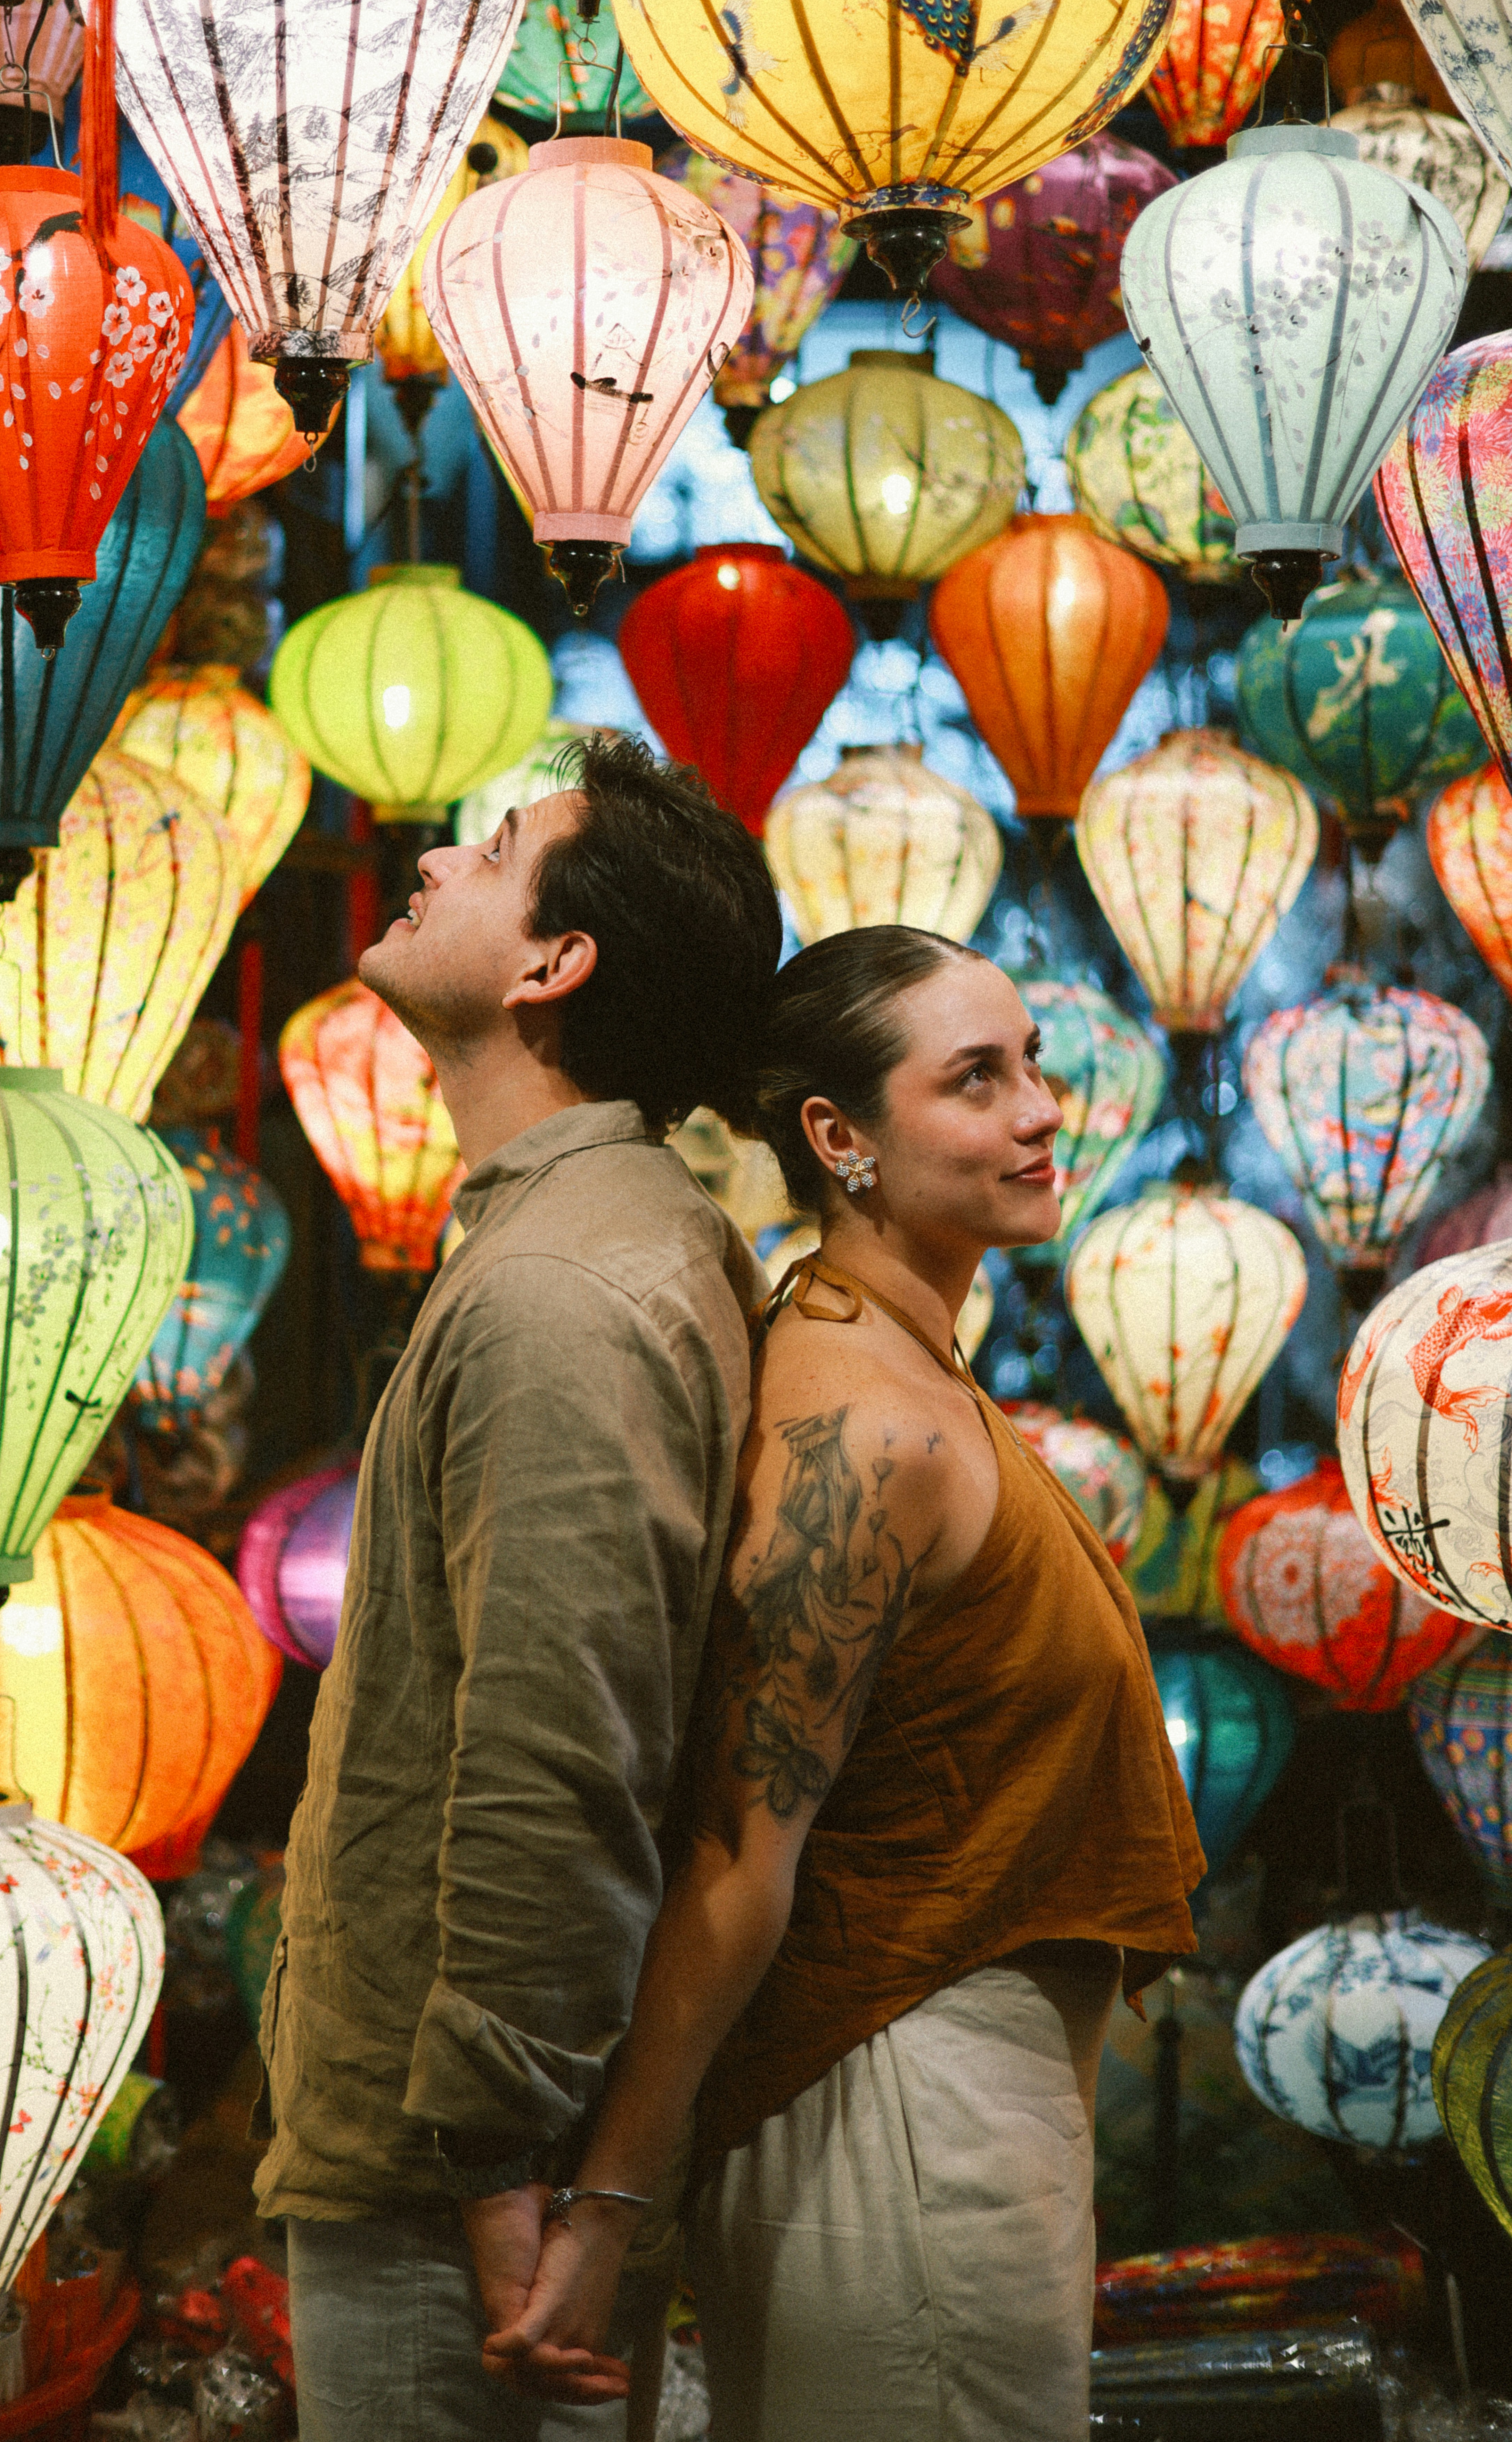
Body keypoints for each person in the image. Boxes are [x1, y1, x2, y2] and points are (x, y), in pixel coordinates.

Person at [487, 925, 1206, 2441]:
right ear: (840, 1136)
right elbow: (740, 1853)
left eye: (1036, 1066)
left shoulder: (910, 1362)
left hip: (950, 2109)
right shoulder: (863, 1424)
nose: (1041, 1109)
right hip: (896, 2118)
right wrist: (613, 2197)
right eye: (978, 1079)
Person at [252, 734, 784, 2442]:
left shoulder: (564, 1290)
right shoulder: (581, 1238)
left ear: (557, 968)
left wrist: (494, 2158)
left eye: (493, 849)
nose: (435, 861)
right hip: (461, 2161)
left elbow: (562, 1752)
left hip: (454, 2195)